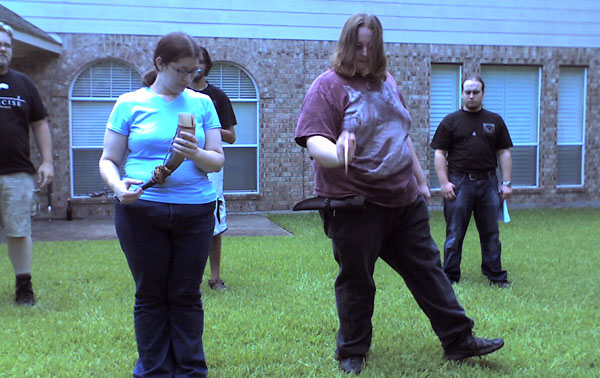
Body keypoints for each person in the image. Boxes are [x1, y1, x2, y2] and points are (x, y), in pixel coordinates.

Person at [295, 13, 504, 375]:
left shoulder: (388, 82)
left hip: (403, 200)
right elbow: (315, 141)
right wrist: (338, 154)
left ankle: (458, 340)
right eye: (357, 46)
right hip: (355, 205)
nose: (364, 53)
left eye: (371, 46)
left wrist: (421, 181)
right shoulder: (328, 86)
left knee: (429, 272)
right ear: (346, 45)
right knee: (357, 279)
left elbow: (400, 137)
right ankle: (352, 351)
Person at [99, 32, 224, 377]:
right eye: (182, 71)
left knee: (185, 294)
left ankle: (190, 370)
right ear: (159, 64)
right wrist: (116, 185)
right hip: (141, 211)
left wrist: (194, 152)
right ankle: (153, 370)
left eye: (194, 73)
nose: (189, 80)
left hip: (195, 212)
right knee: (151, 295)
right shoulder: (129, 103)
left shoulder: (202, 104)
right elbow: (108, 159)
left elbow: (217, 161)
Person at [431, 76, 513, 288]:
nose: (471, 96)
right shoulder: (450, 121)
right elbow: (440, 153)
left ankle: (496, 276)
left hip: (488, 184)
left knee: (491, 234)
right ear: (461, 93)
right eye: (467, 91)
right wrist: (444, 183)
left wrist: (506, 183)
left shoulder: (495, 121)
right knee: (455, 233)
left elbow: (503, 152)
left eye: (475, 92)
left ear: (483, 94)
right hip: (459, 184)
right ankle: (449, 276)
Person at [0, 22, 54, 306]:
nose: (2, 49)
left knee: (19, 231)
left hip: (17, 173)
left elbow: (40, 124)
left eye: (7, 45)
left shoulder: (23, 83)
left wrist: (47, 161)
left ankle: (24, 287)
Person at [189, 47, 237, 291]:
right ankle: (187, 277)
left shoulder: (217, 97)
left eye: (201, 61)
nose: (196, 66)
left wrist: (209, 129)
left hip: (213, 164)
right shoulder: (179, 95)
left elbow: (232, 136)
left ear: (207, 66)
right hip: (184, 164)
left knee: (214, 219)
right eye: (191, 61)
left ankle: (215, 277)